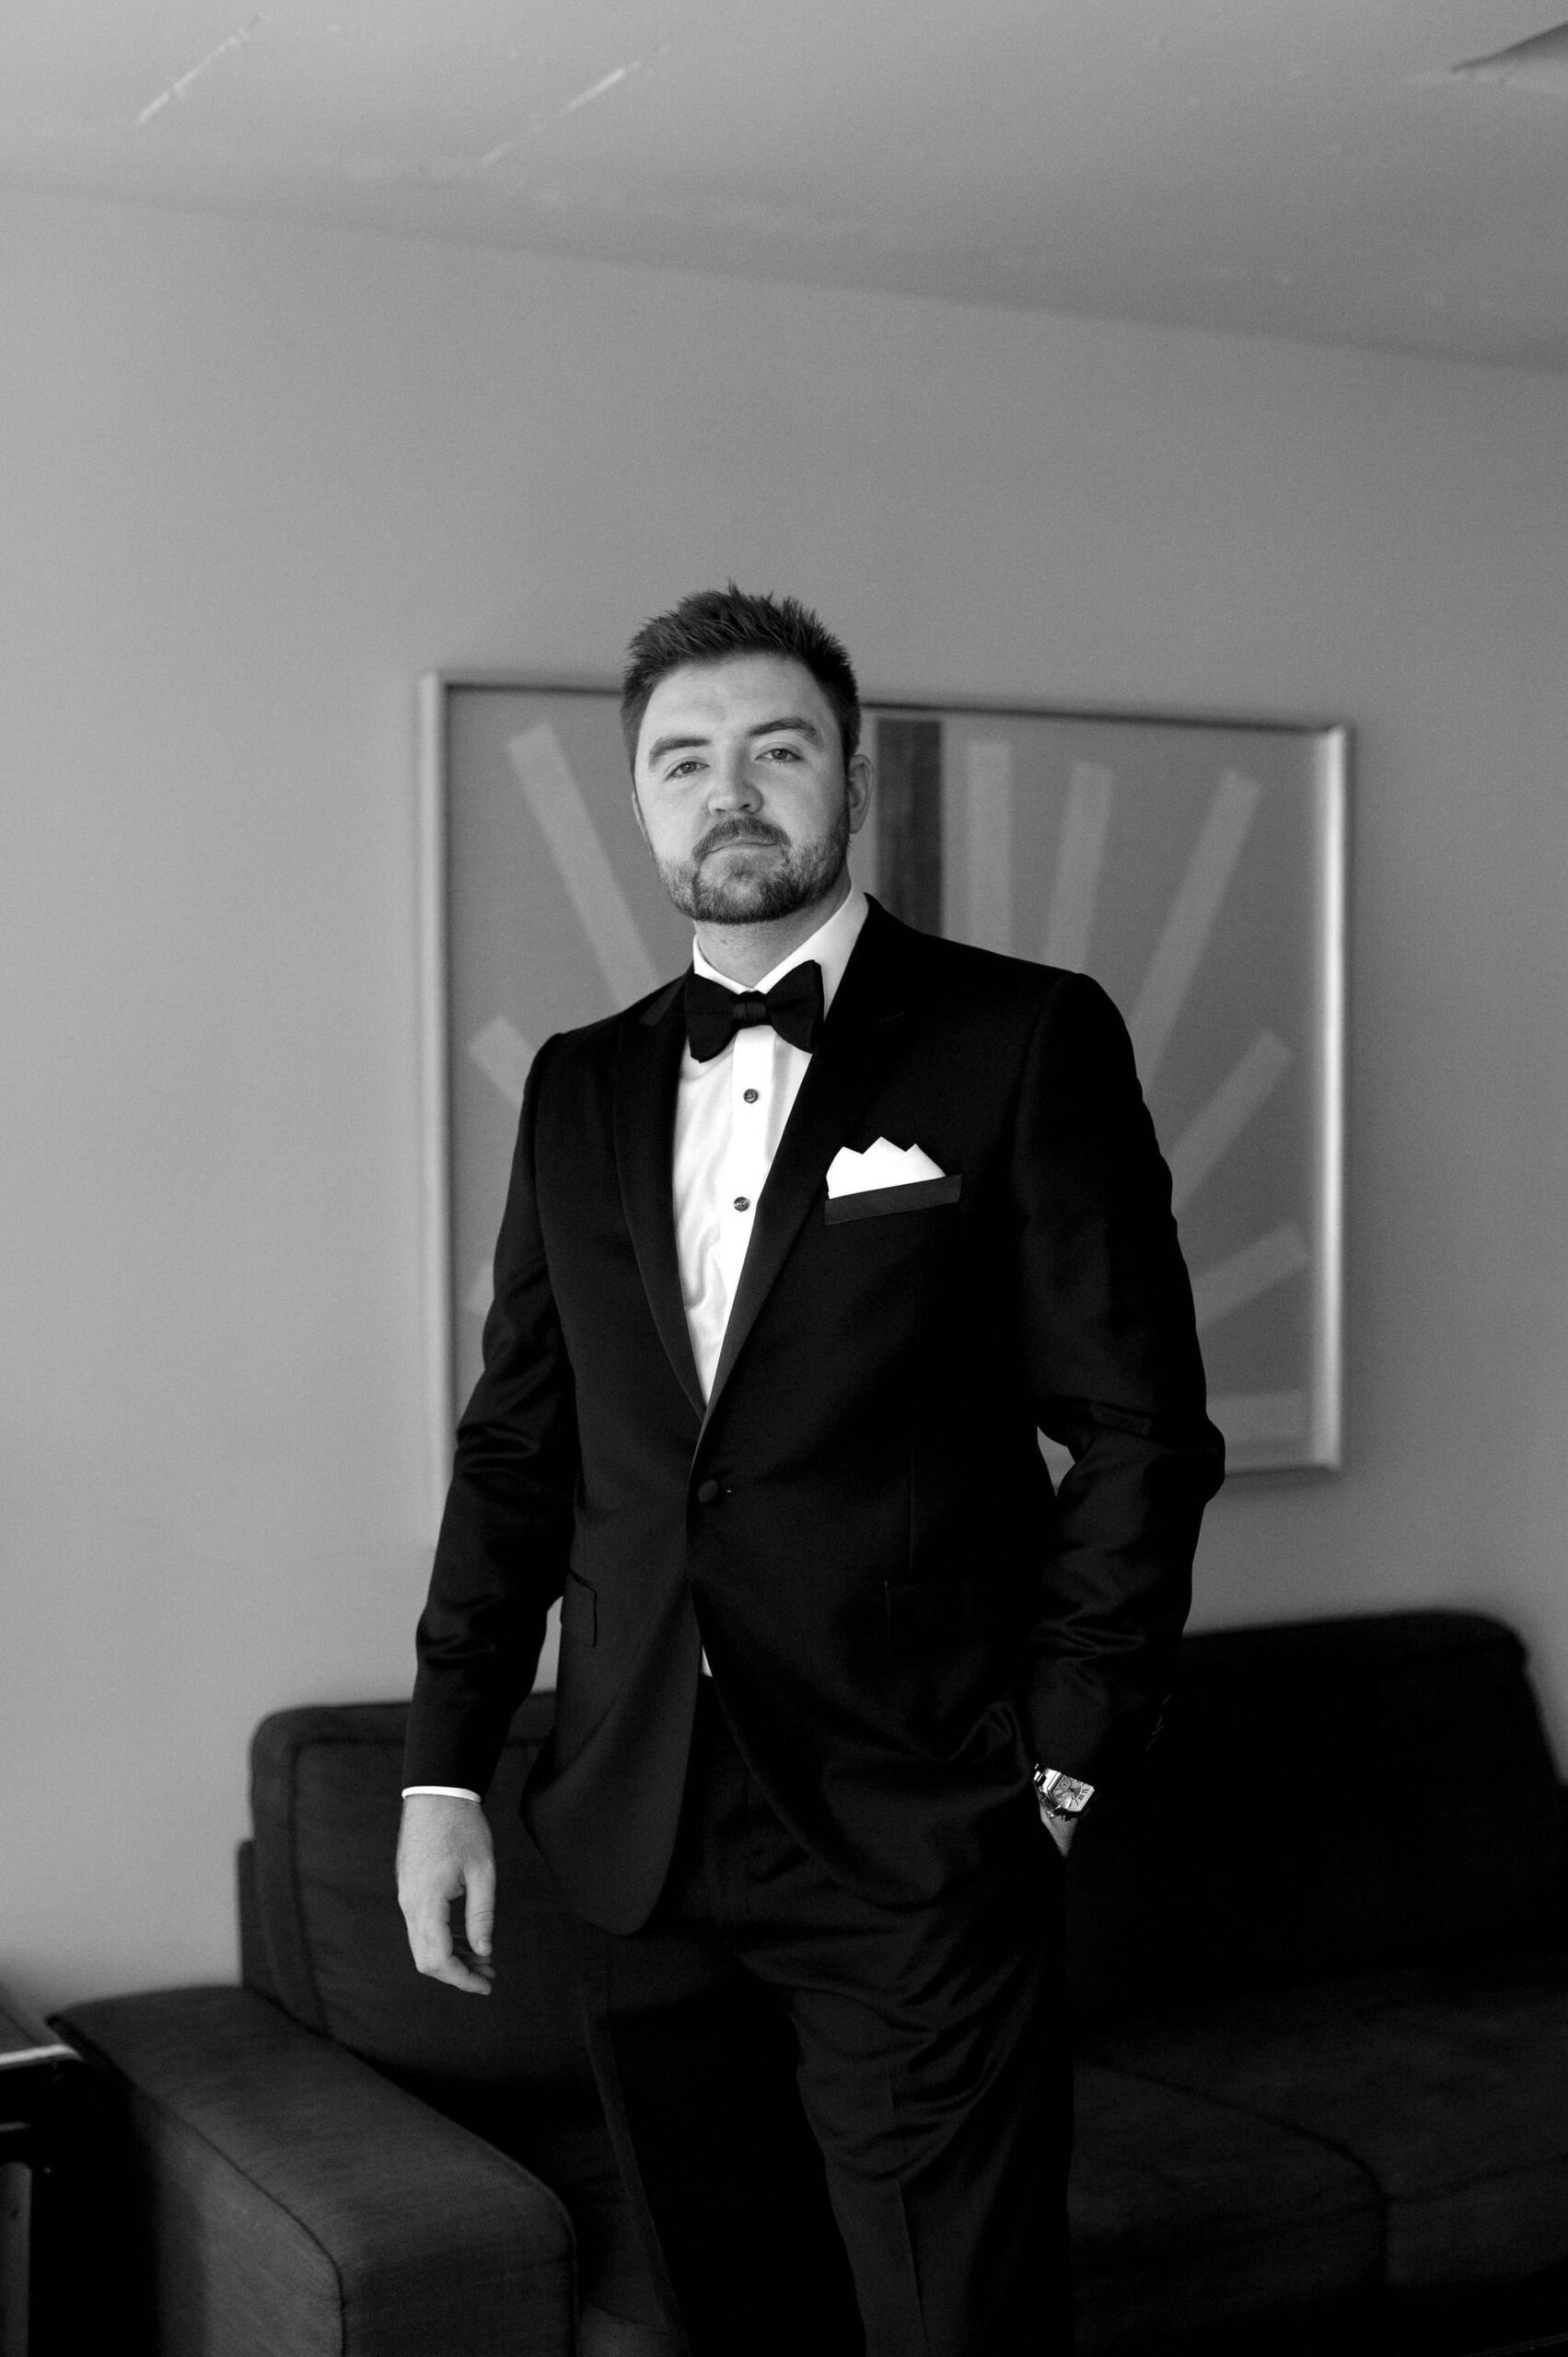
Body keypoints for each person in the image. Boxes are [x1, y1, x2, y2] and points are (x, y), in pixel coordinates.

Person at [398, 586, 1224, 2356]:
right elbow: (518, 1446)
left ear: (852, 779)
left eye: (777, 749)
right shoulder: (575, 1089)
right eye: (683, 761)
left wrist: (1063, 1759)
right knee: (734, 2320)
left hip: (919, 1826)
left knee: (955, 2327)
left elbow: (1144, 1425)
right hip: (633, 1833)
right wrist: (442, 1771)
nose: (731, 791)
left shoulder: (1023, 1037)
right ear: (640, 802)